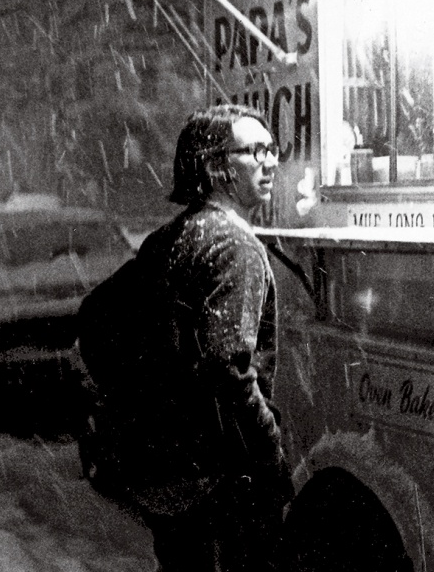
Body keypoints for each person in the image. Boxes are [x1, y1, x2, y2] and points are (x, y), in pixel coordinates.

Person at [105, 103, 292, 572]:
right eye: (255, 151)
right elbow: (226, 368)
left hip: (163, 469)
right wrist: (270, 450)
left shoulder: (165, 238)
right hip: (218, 479)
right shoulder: (235, 246)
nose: (271, 161)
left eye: (272, 149)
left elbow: (100, 319)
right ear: (215, 166)